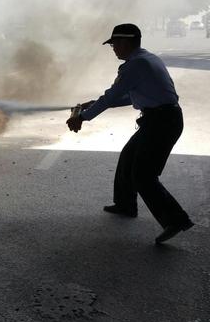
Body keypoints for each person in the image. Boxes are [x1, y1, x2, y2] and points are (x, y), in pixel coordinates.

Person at [66, 23, 194, 244]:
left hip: (161, 123)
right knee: (128, 158)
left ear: (126, 42)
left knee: (144, 175)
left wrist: (82, 117)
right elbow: (129, 97)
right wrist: (93, 104)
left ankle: (175, 220)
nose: (113, 49)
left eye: (115, 44)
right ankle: (126, 204)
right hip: (161, 119)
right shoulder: (147, 59)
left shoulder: (134, 66)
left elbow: (111, 96)